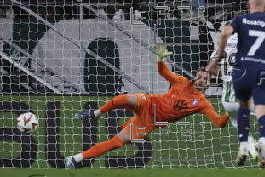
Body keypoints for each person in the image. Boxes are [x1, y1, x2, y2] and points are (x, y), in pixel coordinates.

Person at [65, 44, 229, 168]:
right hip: (148, 102)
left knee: (115, 143)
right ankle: (95, 113)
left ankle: (74, 159)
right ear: (195, 76)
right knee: (125, 98)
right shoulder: (181, 81)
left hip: (148, 122)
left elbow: (219, 123)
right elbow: (163, 72)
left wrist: (231, 112)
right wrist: (160, 58)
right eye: (200, 77)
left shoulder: (202, 103)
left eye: (205, 79)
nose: (201, 80)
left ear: (208, 84)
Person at [208, 0, 265, 168]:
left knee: (239, 121)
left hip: (227, 95)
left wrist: (225, 73)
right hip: (252, 86)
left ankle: (248, 148)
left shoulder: (227, 41)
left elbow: (211, 68)